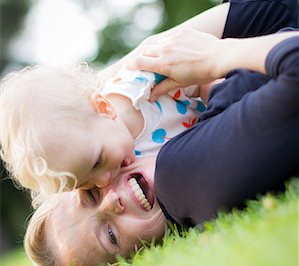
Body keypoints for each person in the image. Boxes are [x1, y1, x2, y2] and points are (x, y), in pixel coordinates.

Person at [23, 0, 299, 266]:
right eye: (111, 235)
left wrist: (136, 65)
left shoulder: (180, 124)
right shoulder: (180, 177)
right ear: (138, 257)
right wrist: (217, 56)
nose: (109, 200)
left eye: (90, 194)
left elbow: (276, 7)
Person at [0, 63, 205, 206]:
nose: (103, 181)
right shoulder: (120, 171)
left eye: (98, 162)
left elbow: (201, 76)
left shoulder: (142, 86)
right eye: (84, 185)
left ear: (104, 108)